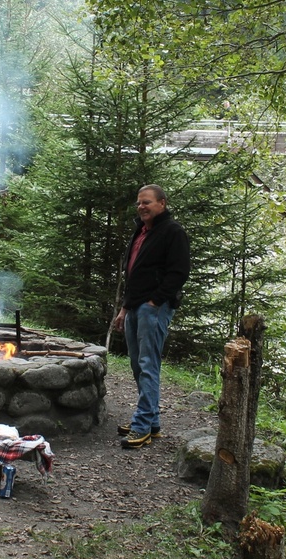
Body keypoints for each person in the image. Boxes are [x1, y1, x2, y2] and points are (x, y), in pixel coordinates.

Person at [112, 184, 190, 449]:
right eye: (139, 203)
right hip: (135, 307)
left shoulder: (173, 232)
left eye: (146, 202)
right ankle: (152, 422)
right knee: (137, 364)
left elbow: (179, 272)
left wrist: (155, 301)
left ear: (162, 203)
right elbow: (133, 274)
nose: (141, 207)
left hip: (154, 308)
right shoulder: (141, 231)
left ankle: (142, 424)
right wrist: (124, 308)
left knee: (148, 365)